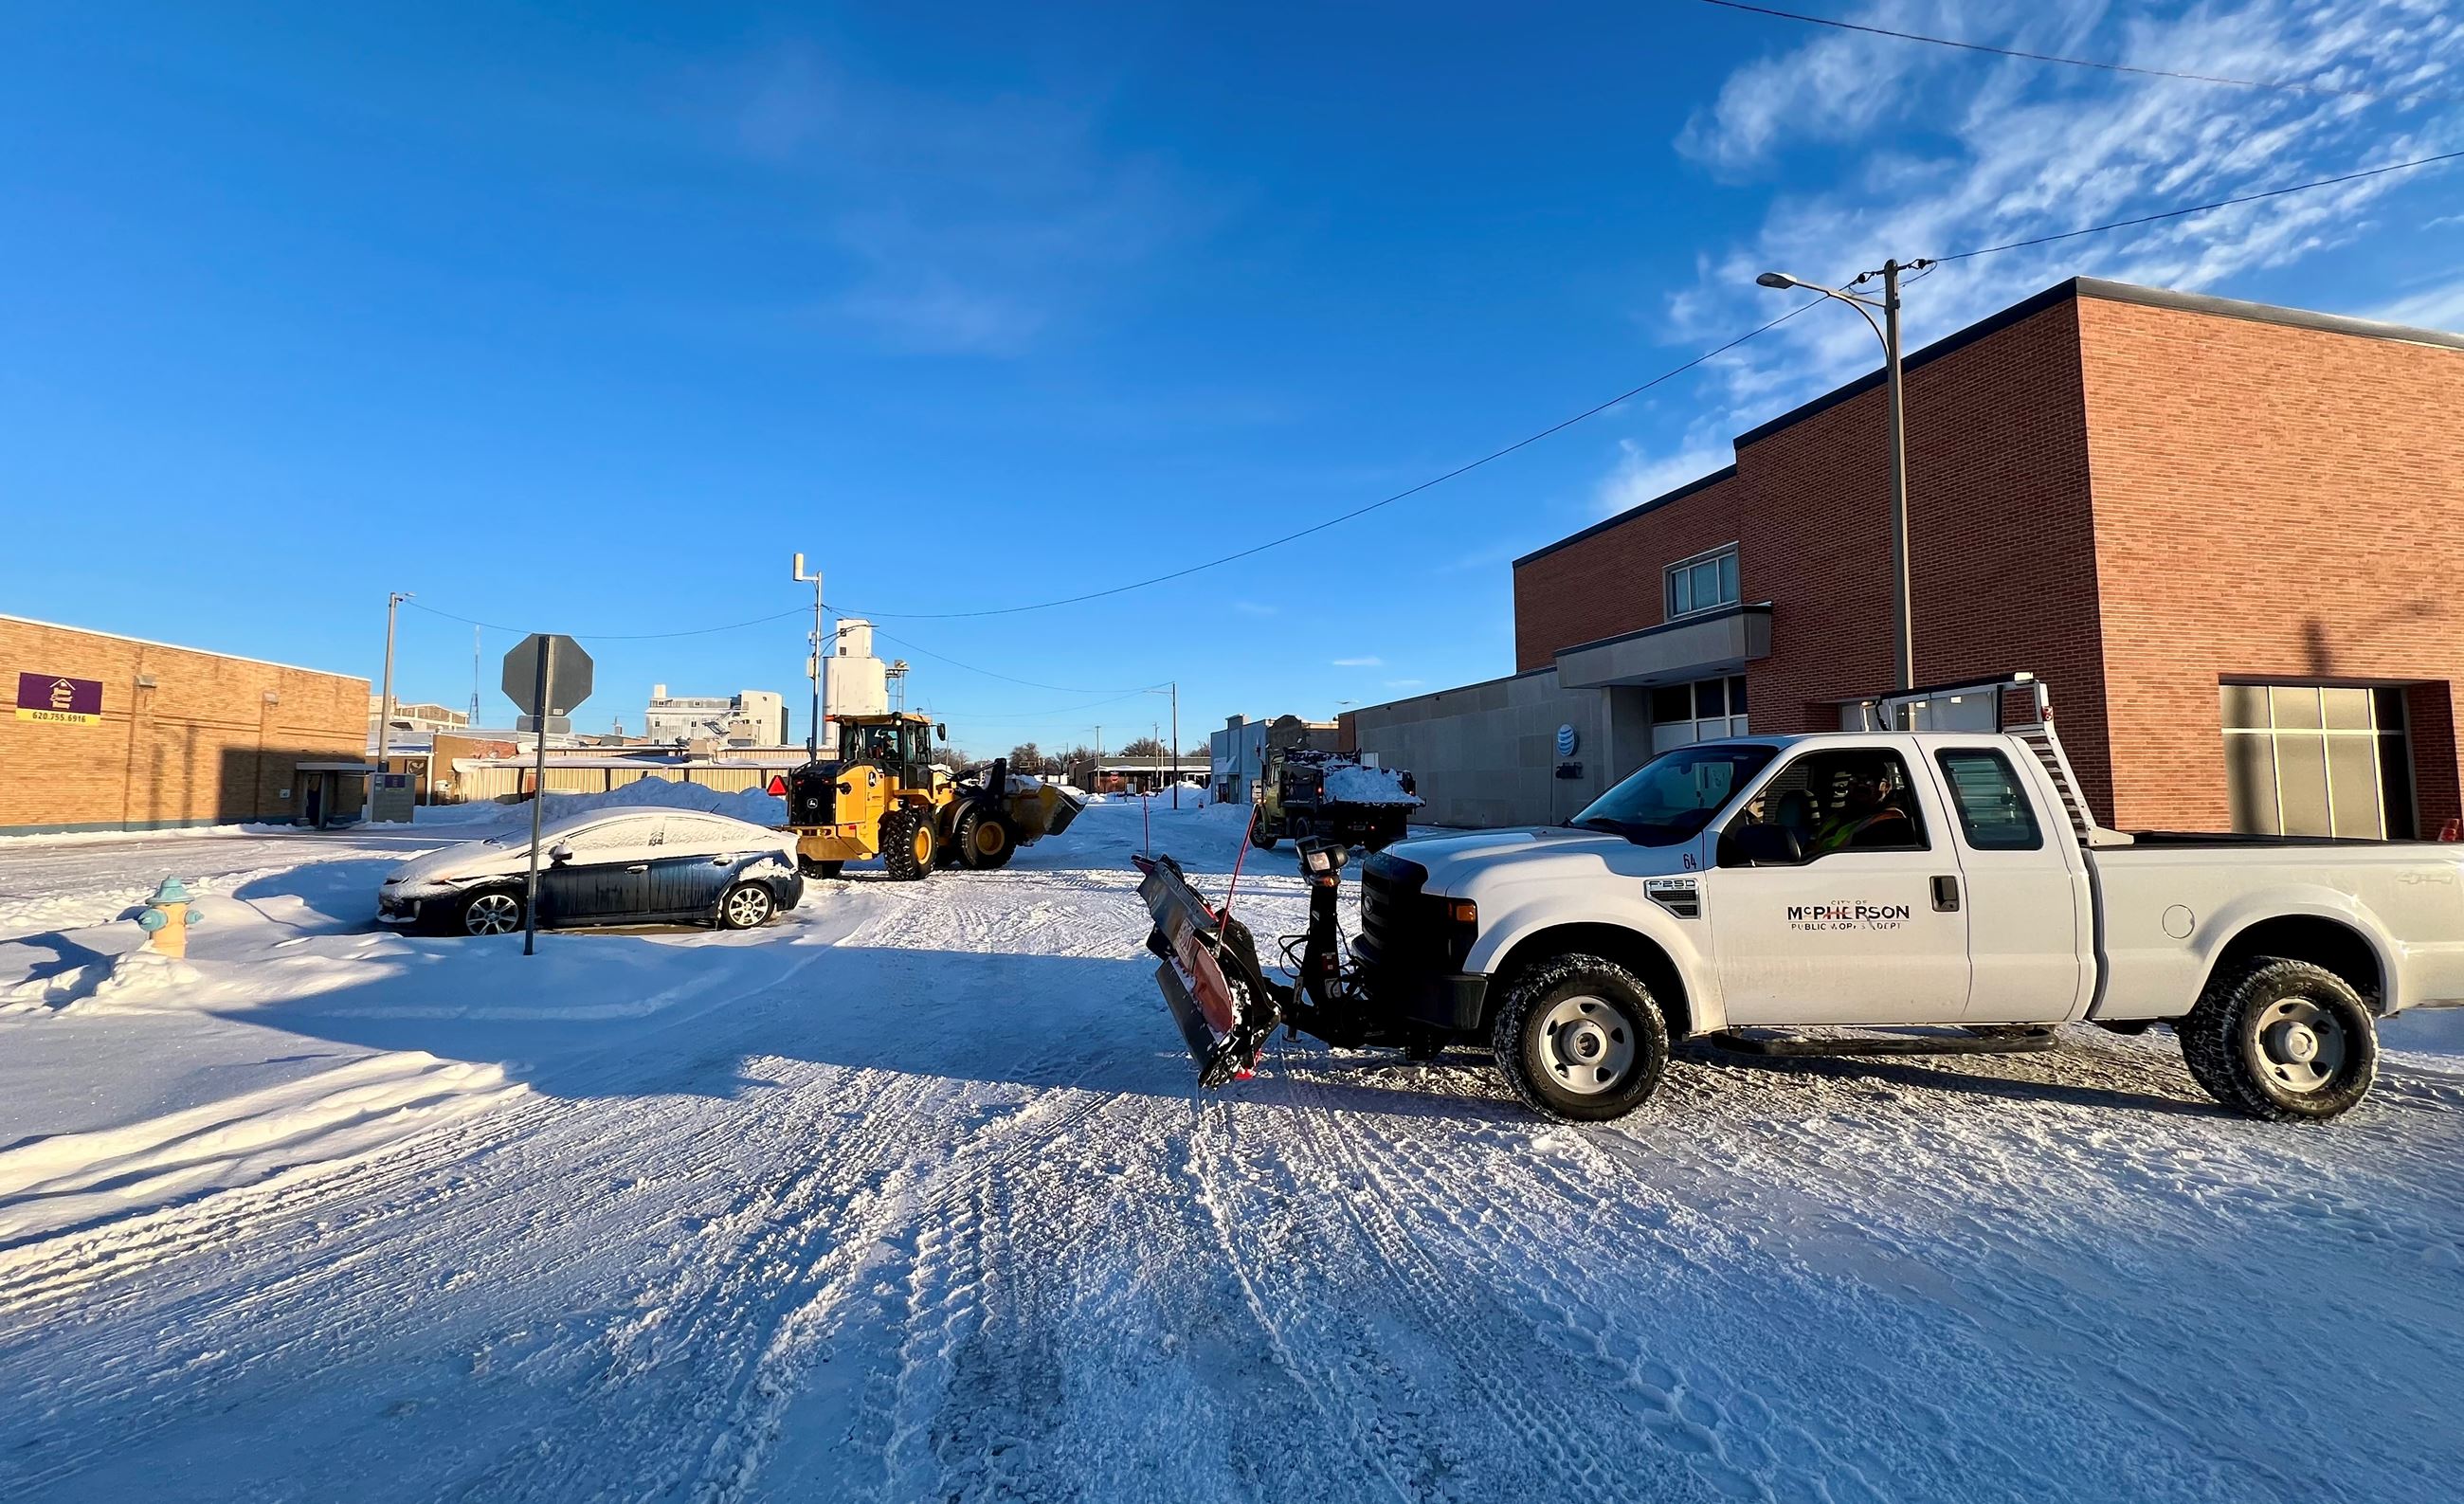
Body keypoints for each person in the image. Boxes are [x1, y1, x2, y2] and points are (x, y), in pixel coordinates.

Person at [1811, 765, 1914, 853]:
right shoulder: (1838, 817)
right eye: (1854, 779)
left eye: (1869, 781)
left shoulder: (1891, 823)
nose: (1860, 785)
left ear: (1886, 787)